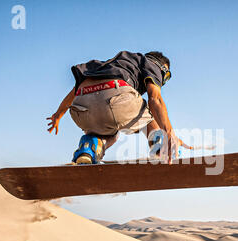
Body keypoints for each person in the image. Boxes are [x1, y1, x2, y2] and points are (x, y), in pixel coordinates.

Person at [47, 50, 188, 164]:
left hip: (80, 108)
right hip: (115, 96)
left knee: (111, 134)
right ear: (164, 70)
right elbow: (154, 98)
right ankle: (162, 148)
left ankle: (90, 146)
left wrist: (58, 115)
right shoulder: (153, 65)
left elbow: (73, 92)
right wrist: (169, 133)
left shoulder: (112, 64)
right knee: (148, 115)